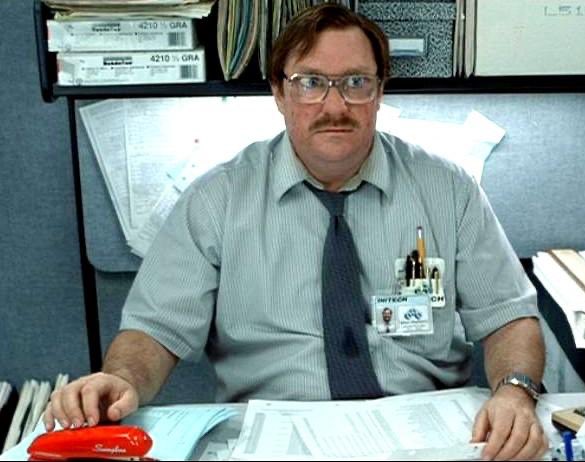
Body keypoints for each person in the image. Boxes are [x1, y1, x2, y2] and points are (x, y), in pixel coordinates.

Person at [45, 4, 548, 460]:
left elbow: (509, 318)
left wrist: (515, 390)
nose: (335, 106)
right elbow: (154, 331)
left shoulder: (449, 189)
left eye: (356, 82)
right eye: (311, 83)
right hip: (272, 439)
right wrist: (121, 379)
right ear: (279, 92)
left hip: (427, 435)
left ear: (379, 91)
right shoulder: (217, 199)